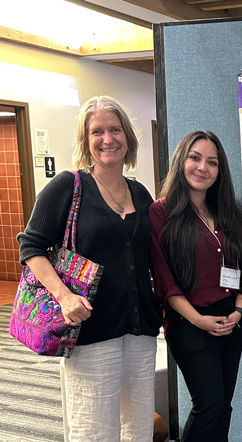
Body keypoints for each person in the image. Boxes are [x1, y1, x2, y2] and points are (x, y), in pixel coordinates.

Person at [17, 96, 162, 441]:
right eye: (97, 131)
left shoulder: (140, 193)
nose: (107, 138)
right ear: (86, 141)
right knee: (94, 430)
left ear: (128, 137)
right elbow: (31, 247)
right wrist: (64, 297)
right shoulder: (67, 187)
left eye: (115, 129)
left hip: (140, 331)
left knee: (138, 428)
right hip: (92, 332)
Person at [149, 130, 242, 441]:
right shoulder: (162, 212)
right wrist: (197, 319)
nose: (202, 167)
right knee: (208, 404)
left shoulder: (228, 212)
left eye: (212, 162)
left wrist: (238, 311)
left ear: (219, 170)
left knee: (224, 405)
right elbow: (164, 279)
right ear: (182, 160)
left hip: (230, 319)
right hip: (189, 321)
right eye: (195, 158)